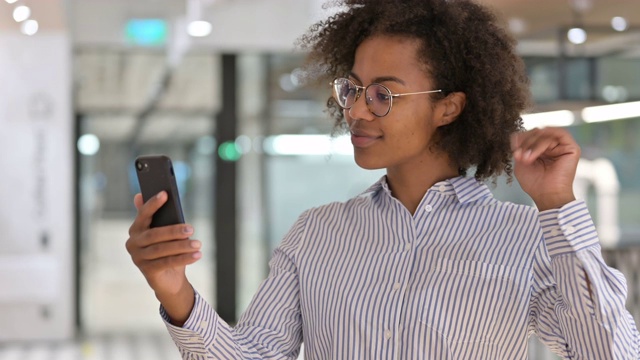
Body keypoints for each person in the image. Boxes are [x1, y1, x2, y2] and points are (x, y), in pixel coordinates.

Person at [126, 0, 640, 358]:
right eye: (353, 90)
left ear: (449, 106)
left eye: (383, 95)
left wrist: (556, 207)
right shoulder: (317, 235)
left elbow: (606, 351)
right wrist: (175, 290)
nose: (357, 111)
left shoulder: (525, 238)